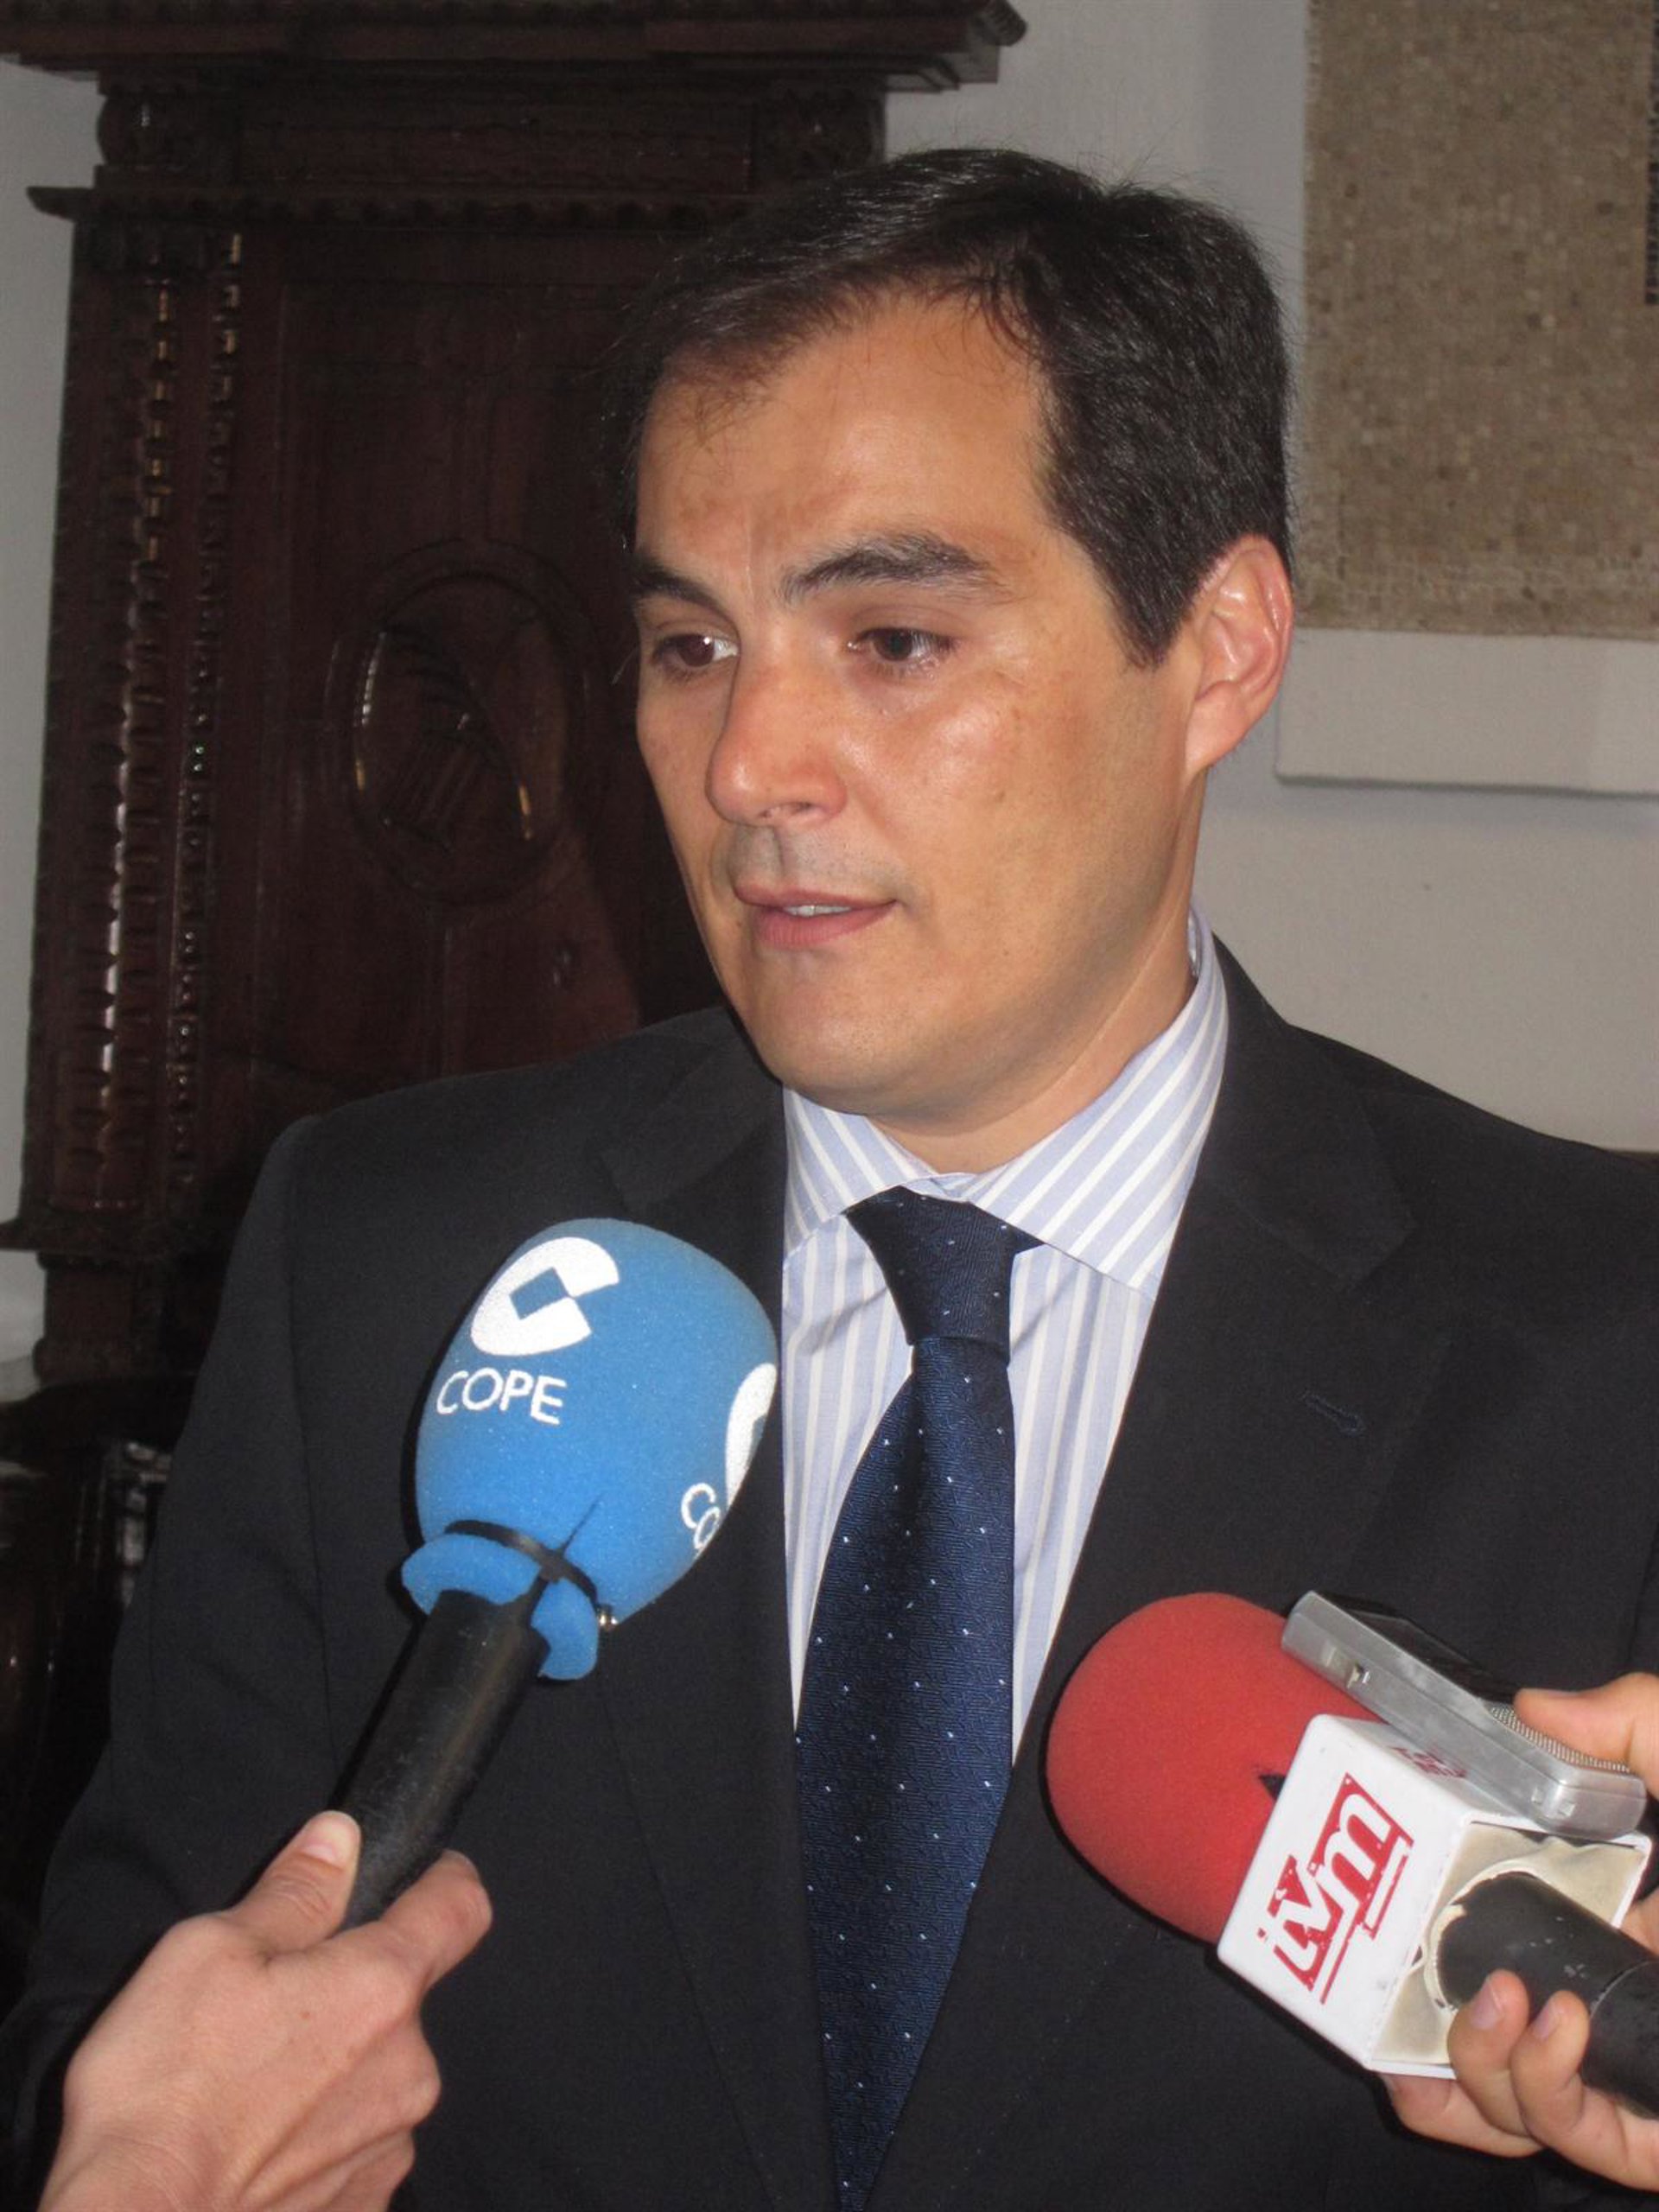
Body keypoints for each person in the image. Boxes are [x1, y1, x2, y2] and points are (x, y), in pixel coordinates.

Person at [5, 149, 1657, 2212]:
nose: (743, 766)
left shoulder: (1603, 1352)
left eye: (889, 636)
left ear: (1220, 648)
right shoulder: (383, 1259)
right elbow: (112, 2039)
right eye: (691, 643)